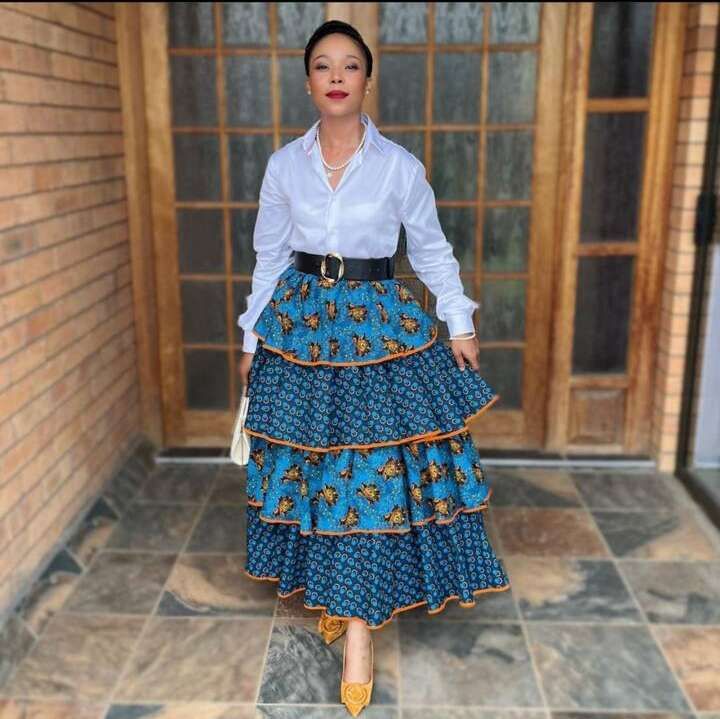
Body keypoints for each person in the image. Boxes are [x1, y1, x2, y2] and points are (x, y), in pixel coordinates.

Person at [236, 19, 510, 717]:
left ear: (366, 79)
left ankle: (358, 633)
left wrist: (459, 321)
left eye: (350, 65)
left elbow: (432, 250)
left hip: (376, 330)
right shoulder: (284, 166)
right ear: (308, 81)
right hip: (300, 329)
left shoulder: (399, 167)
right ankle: (338, 593)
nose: (336, 76)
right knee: (315, 470)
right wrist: (251, 337)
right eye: (322, 65)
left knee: (368, 476)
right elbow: (269, 257)